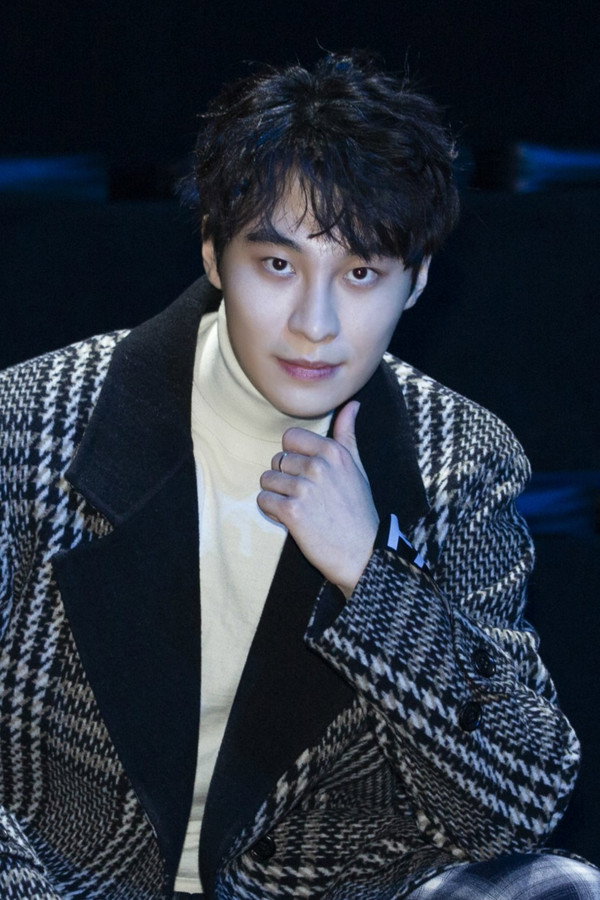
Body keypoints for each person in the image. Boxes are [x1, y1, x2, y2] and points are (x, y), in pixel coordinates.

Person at [0, 53, 598, 900]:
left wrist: (370, 577)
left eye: (361, 274)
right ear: (214, 253)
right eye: (278, 266)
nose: (315, 325)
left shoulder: (458, 458)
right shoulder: (32, 423)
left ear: (417, 281)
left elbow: (519, 801)